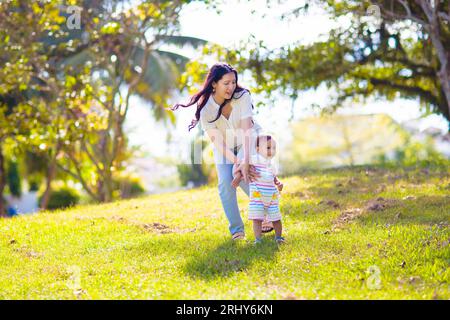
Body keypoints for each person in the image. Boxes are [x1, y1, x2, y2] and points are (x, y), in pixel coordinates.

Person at [172, 62, 274, 240]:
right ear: (214, 84)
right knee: (226, 183)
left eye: (233, 82)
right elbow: (217, 141)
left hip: (248, 140)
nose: (231, 87)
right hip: (225, 146)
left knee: (245, 172)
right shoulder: (205, 109)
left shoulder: (243, 96)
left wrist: (246, 161)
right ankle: (237, 230)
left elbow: (246, 130)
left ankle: (266, 214)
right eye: (226, 83)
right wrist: (237, 162)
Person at [238, 135, 285, 244]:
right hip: (257, 196)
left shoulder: (272, 164)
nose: (271, 151)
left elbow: (274, 177)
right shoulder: (254, 159)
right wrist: (238, 177)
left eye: (273, 148)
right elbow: (243, 164)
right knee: (257, 219)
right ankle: (258, 239)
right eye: (268, 148)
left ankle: (278, 237)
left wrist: (278, 183)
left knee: (276, 218)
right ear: (258, 149)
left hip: (271, 197)